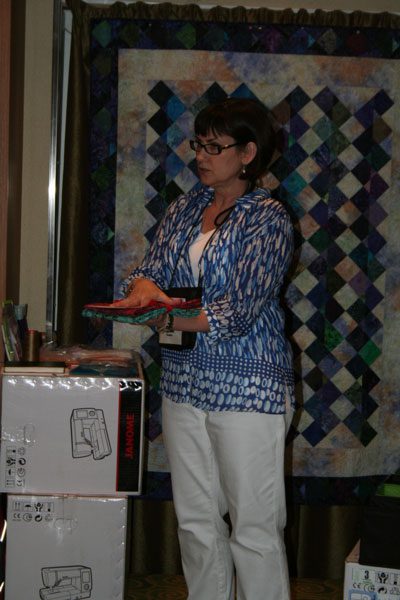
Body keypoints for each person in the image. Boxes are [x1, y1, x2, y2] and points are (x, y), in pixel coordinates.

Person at [116, 97, 295, 600]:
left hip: (248, 388)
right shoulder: (184, 208)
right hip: (183, 382)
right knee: (195, 522)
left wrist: (164, 315)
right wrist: (140, 291)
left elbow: (236, 310)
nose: (201, 155)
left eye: (215, 147)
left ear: (248, 153)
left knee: (254, 530)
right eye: (199, 144)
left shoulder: (268, 219)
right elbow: (148, 272)